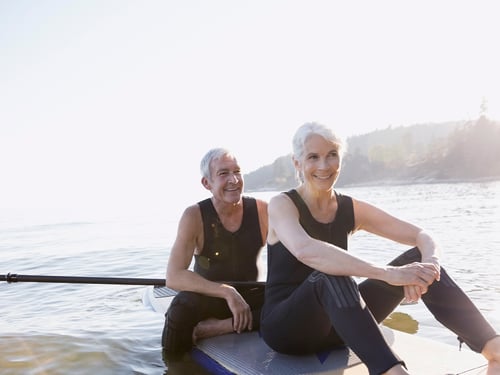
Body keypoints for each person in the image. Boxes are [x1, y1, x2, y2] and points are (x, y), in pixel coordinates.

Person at [260, 122, 500, 375]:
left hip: (342, 323)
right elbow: (306, 250)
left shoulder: (349, 207)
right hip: (288, 329)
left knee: (418, 261)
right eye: (313, 157)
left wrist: (429, 267)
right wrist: (388, 273)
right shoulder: (282, 205)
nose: (324, 166)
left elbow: (423, 235)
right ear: (297, 163)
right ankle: (393, 372)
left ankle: (494, 351)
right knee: (329, 274)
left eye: (332, 155)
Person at [162, 147, 268, 360]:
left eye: (237, 172)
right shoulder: (194, 216)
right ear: (206, 183)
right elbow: (174, 276)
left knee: (291, 299)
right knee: (181, 307)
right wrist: (227, 292)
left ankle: (219, 327)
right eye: (223, 173)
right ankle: (173, 364)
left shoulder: (262, 210)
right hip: (209, 298)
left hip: (251, 298)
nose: (234, 179)